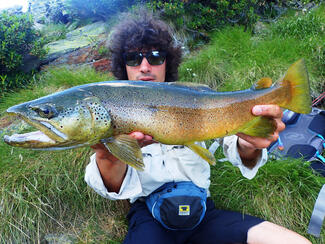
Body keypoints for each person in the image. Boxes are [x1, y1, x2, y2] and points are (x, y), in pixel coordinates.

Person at [84, 10, 311, 244]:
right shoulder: (112, 109)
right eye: (133, 58)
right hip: (150, 217)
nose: (144, 66)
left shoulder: (195, 98)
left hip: (204, 213)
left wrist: (249, 142)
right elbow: (108, 185)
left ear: (167, 61)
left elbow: (237, 147)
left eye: (154, 56)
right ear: (123, 66)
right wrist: (108, 157)